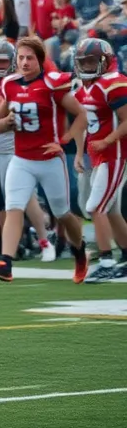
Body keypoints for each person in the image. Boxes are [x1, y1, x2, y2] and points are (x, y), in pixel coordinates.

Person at [0, 36, 89, 282]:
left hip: (49, 160)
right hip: (21, 159)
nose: (25, 62)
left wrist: (63, 140)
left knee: (62, 213)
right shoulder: (9, 84)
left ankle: (80, 249)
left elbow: (81, 114)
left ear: (40, 60)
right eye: (21, 58)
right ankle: (6, 263)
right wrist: (6, 122)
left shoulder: (52, 84)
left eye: (30, 58)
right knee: (13, 207)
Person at [0, 42, 55, 262]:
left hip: (12, 146)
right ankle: (9, 246)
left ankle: (44, 240)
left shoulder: (17, 83)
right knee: (0, 201)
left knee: (22, 197)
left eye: (3, 62)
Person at [70, 39, 127, 282]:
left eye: (92, 61)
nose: (87, 66)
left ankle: (106, 261)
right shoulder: (84, 87)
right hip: (99, 156)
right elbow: (83, 124)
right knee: (111, 210)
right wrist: (80, 153)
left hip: (115, 154)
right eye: (83, 62)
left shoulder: (114, 83)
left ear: (105, 60)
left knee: (96, 207)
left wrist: (108, 141)